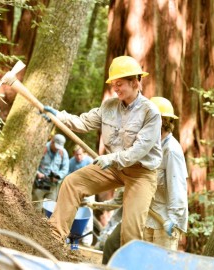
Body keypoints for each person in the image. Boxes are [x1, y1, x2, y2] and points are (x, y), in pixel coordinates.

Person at [42, 55, 162, 245]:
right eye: (114, 84)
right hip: (114, 168)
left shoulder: (151, 113)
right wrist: (60, 117)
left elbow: (140, 150)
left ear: (134, 82)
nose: (115, 88)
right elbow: (83, 122)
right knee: (72, 183)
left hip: (141, 173)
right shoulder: (109, 106)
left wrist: (112, 158)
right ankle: (53, 240)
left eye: (120, 83)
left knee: (130, 229)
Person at [102, 97, 189, 264]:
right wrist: (117, 199)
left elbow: (178, 188)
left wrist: (174, 219)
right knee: (121, 250)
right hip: (145, 215)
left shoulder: (171, 151)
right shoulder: (145, 146)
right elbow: (134, 177)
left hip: (164, 222)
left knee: (158, 265)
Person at [32, 134, 69, 211]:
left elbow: (65, 169)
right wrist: (38, 173)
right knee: (36, 208)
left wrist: (58, 176)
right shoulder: (43, 148)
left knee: (49, 210)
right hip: (40, 184)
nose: (57, 149)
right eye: (56, 146)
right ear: (52, 141)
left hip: (53, 186)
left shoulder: (63, 153)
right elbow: (33, 164)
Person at [69, 145, 94, 247]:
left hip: (89, 191)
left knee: (87, 214)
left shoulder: (89, 161)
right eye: (76, 155)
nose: (78, 157)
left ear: (84, 153)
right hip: (76, 192)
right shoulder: (71, 162)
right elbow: (69, 176)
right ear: (74, 154)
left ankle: (87, 242)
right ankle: (74, 240)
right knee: (75, 215)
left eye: (80, 154)